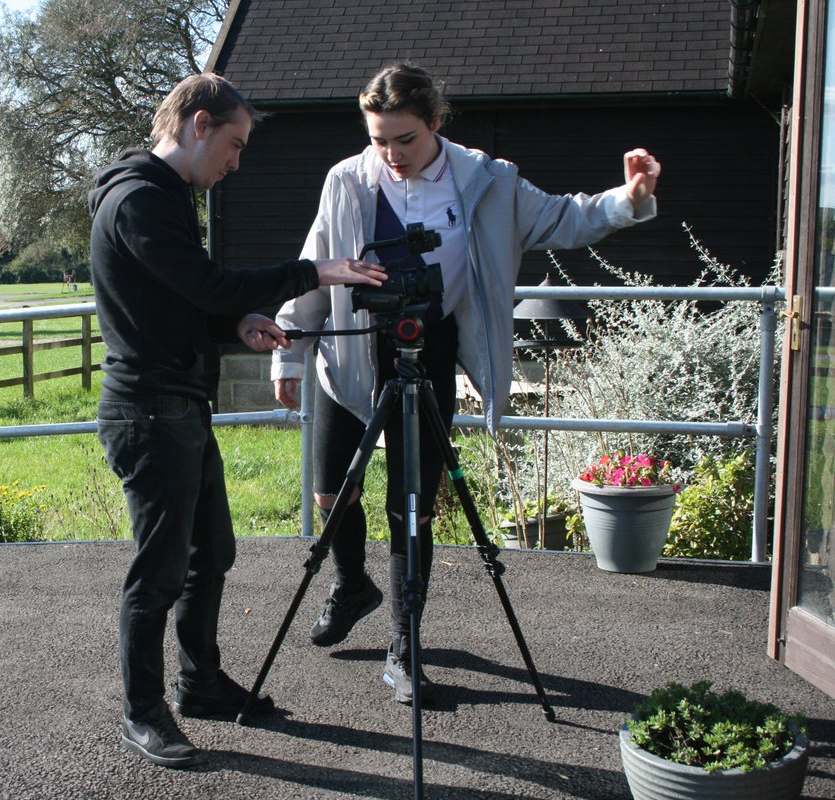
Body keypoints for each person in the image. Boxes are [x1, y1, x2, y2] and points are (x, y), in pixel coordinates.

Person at [271, 63, 660, 706]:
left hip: (428, 352)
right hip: (350, 356)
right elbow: (318, 262)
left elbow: (564, 218)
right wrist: (290, 351)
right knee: (328, 491)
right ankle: (350, 585)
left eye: (405, 139)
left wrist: (631, 199)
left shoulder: (487, 180)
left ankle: (405, 641)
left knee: (411, 503)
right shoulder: (346, 180)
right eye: (379, 140)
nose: (392, 156)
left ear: (436, 123)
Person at [87, 73, 387, 769]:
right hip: (149, 411)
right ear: (197, 123)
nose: (237, 161)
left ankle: (201, 685)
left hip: (179, 404)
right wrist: (315, 273)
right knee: (158, 572)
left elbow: (184, 302)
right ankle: (143, 712)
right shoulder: (139, 200)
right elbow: (205, 285)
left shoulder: (161, 199)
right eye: (234, 142)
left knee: (209, 554)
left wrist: (237, 325)